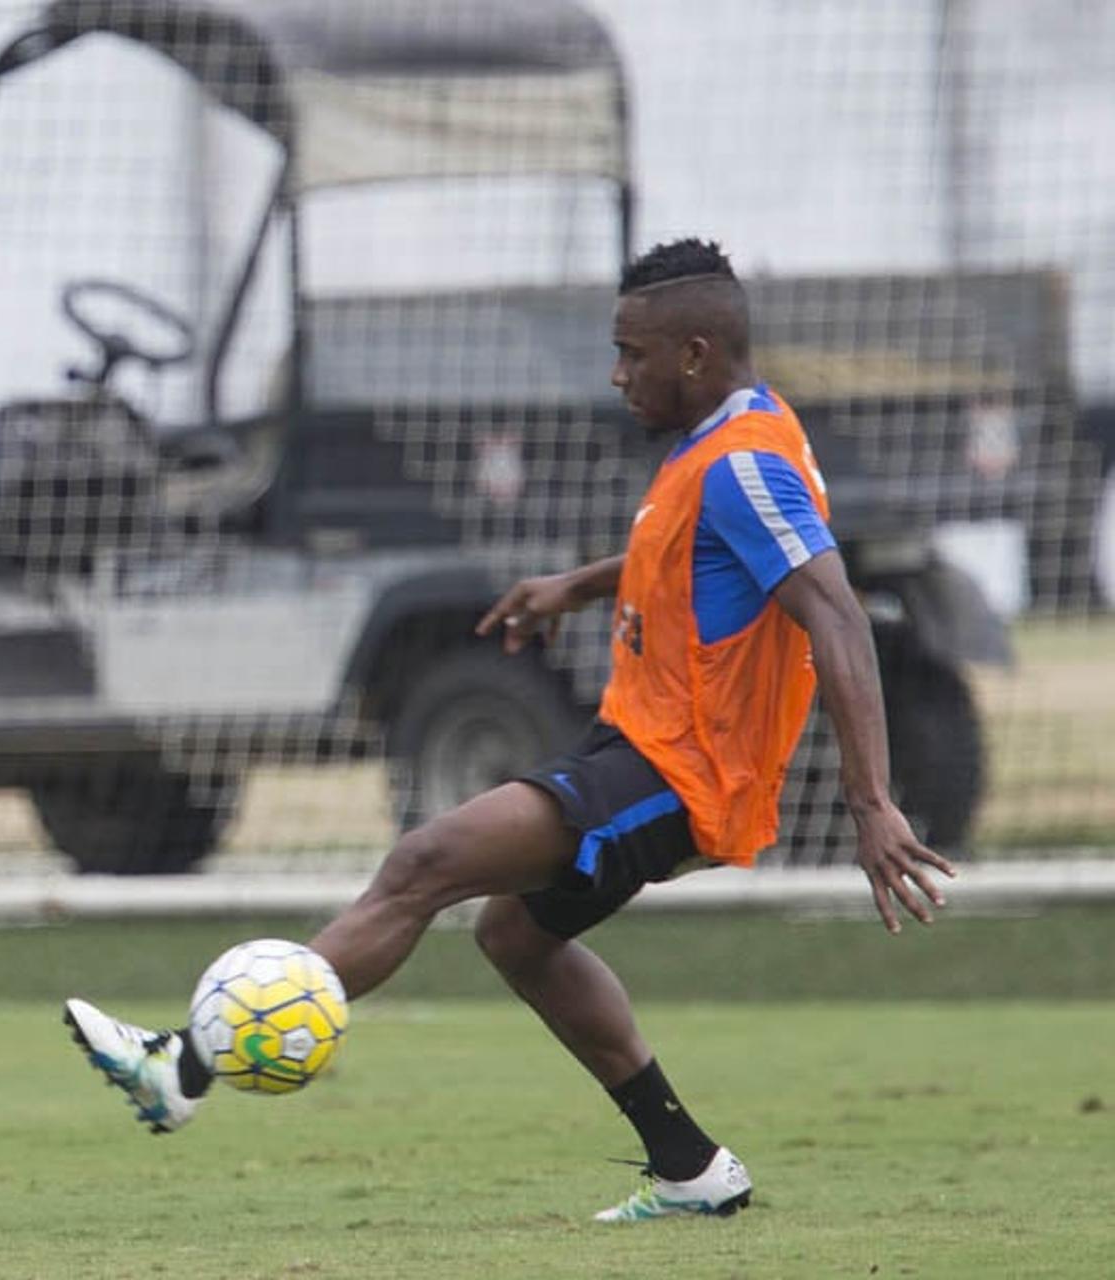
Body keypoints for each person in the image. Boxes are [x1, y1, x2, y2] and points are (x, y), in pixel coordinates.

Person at [63, 238, 955, 1222]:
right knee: (517, 934)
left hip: (683, 772)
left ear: (694, 352)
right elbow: (696, 544)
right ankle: (693, 1167)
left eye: (631, 352)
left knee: (426, 859)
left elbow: (836, 613)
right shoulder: (740, 433)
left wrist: (871, 802)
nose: (618, 374)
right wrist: (578, 584)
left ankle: (181, 1069)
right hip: (644, 746)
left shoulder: (745, 461)